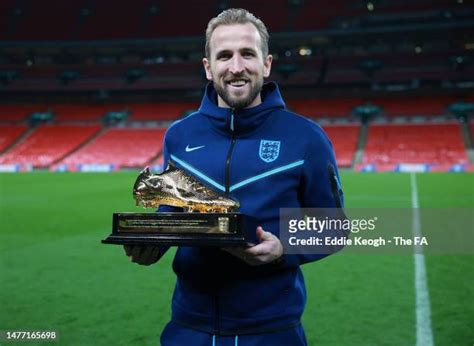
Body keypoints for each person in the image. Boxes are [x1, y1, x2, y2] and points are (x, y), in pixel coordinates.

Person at [125, 8, 344, 346]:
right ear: (208, 67)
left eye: (247, 54)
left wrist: (284, 247)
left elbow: (333, 227)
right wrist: (154, 241)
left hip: (272, 331)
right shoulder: (180, 136)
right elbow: (174, 207)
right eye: (224, 55)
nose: (236, 67)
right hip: (188, 328)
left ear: (267, 63)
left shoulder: (307, 138)